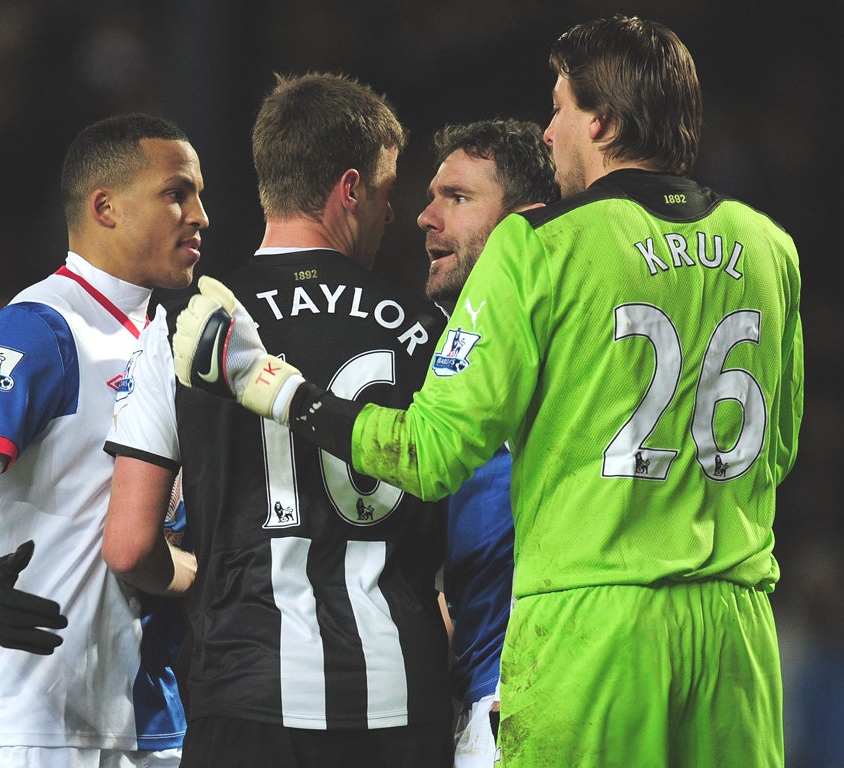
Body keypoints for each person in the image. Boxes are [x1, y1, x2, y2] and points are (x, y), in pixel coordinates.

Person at [171, 16, 805, 767]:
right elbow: (781, 448)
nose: (547, 131)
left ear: (600, 122)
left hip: (593, 631)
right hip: (737, 638)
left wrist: (276, 388)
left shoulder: (541, 244)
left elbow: (431, 453)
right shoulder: (770, 247)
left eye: (560, 107)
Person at [102, 72, 454, 767]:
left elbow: (128, 545)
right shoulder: (431, 330)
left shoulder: (180, 326)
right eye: (386, 190)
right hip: (400, 695)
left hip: (246, 689)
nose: (393, 212)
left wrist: (219, 581)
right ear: (349, 189)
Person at [0, 112, 206, 768]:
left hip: (146, 716)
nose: (200, 215)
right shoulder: (35, 332)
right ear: (106, 206)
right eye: (176, 192)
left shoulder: (160, 342)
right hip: (31, 725)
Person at [417, 119, 557, 767]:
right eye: (431, 195)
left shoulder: (566, 348)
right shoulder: (425, 355)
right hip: (474, 702)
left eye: (459, 198)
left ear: (521, 221)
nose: (426, 216)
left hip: (531, 697)